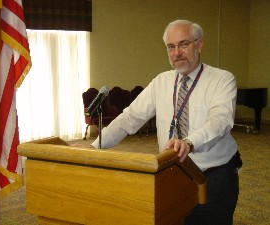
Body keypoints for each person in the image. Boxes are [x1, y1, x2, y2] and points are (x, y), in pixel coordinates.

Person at [91, 19, 242, 225]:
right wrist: (95, 147)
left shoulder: (222, 80)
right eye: (171, 47)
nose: (177, 52)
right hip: (172, 174)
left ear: (199, 45)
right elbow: (129, 118)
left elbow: (220, 121)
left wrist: (188, 142)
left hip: (213, 176)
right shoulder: (162, 81)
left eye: (184, 44)